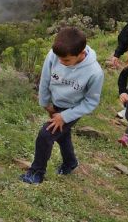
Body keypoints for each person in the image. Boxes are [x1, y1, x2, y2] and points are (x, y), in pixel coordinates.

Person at [20, 27, 104, 184]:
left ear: (81, 54)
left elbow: (91, 102)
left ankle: (36, 172)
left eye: (66, 60)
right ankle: (70, 163)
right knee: (62, 135)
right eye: (59, 58)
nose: (60, 62)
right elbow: (45, 79)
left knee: (46, 134)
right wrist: (46, 103)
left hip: (73, 109)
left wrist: (65, 117)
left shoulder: (94, 72)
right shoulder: (55, 55)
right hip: (56, 105)